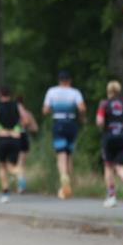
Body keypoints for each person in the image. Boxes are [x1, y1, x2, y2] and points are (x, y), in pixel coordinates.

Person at [42, 70, 86, 199]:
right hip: (71, 123)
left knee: (61, 155)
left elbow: (45, 110)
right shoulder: (75, 92)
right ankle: (68, 187)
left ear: (59, 80)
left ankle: (64, 179)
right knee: (69, 155)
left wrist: (53, 109)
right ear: (70, 80)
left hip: (59, 123)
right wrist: (82, 118)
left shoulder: (52, 91)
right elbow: (82, 108)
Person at [96, 81, 123, 207]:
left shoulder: (104, 104)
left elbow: (100, 121)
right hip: (122, 137)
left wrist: (101, 126)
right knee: (120, 167)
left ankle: (112, 197)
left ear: (108, 91)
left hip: (109, 137)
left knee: (108, 167)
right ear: (118, 91)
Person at [0, 86, 23, 203]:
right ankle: (20, 175)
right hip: (15, 137)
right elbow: (26, 120)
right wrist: (17, 126)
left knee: (2, 166)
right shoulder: (17, 105)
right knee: (13, 165)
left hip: (2, 137)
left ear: (0, 94)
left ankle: (5, 192)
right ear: (10, 94)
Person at [15, 95, 38, 193]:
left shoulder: (12, 112)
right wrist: (27, 126)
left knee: (15, 164)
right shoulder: (28, 113)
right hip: (24, 137)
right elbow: (35, 128)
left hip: (13, 137)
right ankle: (21, 185)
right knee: (22, 163)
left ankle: (20, 184)